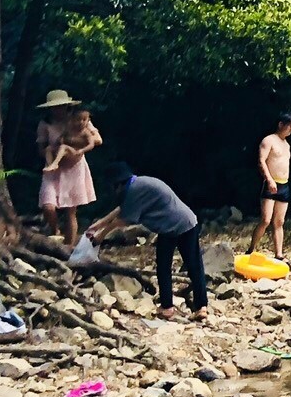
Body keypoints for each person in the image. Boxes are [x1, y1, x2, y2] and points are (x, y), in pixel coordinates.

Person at [85, 163, 207, 321]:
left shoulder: (135, 189)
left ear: (118, 184)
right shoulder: (137, 184)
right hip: (171, 226)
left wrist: (101, 236)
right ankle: (174, 307)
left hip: (183, 224)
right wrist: (99, 224)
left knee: (187, 265)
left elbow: (125, 219)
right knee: (170, 266)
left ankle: (194, 307)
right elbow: (122, 209)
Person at [35, 89, 101, 250]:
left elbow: (97, 140)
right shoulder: (45, 124)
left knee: (70, 210)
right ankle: (55, 230)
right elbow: (40, 148)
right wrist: (55, 150)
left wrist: (75, 146)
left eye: (61, 106)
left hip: (74, 166)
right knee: (48, 205)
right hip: (53, 167)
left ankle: (69, 246)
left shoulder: (79, 119)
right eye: (54, 107)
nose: (58, 110)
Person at [249, 111, 291, 260]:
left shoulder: (287, 145)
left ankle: (279, 254)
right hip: (271, 182)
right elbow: (261, 161)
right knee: (265, 220)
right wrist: (269, 179)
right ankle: (251, 248)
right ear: (281, 124)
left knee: (279, 221)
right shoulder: (268, 140)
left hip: (284, 185)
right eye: (289, 126)